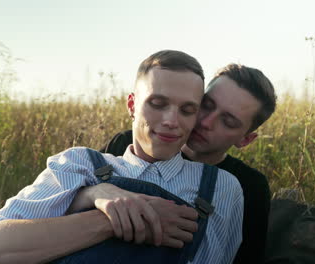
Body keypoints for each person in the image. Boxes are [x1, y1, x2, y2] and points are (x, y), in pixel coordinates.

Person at [0, 50, 244, 264]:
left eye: (187, 110)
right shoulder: (78, 166)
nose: (171, 121)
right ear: (132, 105)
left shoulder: (222, 188)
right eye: (157, 104)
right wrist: (108, 217)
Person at [100, 63, 277, 264]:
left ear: (245, 140)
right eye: (206, 105)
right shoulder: (131, 143)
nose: (206, 122)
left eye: (227, 121)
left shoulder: (248, 185)